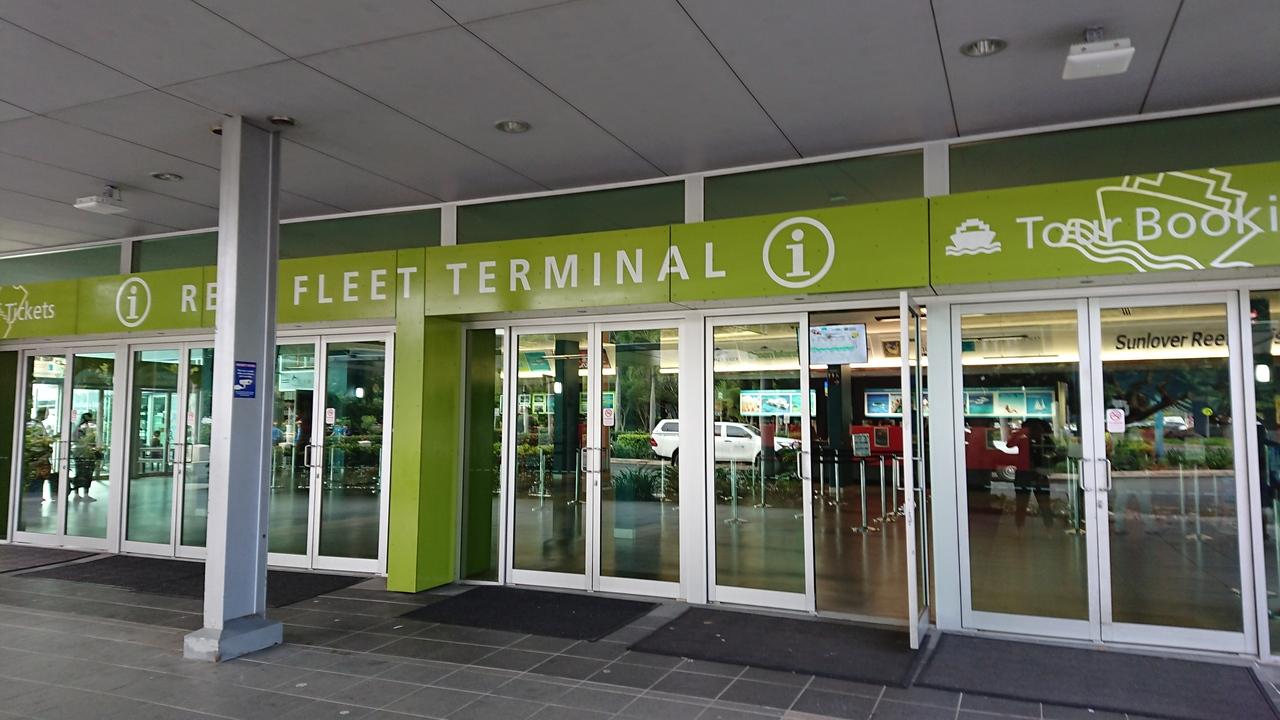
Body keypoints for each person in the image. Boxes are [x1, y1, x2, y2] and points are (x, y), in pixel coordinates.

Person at [1008, 418, 1058, 529]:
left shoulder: (1042, 438)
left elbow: (1052, 449)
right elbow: (1009, 444)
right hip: (1029, 473)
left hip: (1033, 473)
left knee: (1039, 504)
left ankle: (1022, 530)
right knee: (1029, 504)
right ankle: (1046, 530)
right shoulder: (1025, 438)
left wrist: (1037, 436)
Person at [71, 412, 100, 501]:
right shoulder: (87, 428)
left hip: (78, 454)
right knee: (87, 474)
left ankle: (77, 494)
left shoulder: (77, 428)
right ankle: (85, 494)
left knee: (79, 473)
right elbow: (88, 442)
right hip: (86, 454)